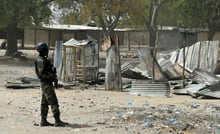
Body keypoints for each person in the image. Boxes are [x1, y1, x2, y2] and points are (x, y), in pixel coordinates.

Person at [35, 42, 68, 127]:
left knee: (44, 102)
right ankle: (57, 121)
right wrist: (52, 77)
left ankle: (43, 121)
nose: (47, 51)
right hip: (46, 83)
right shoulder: (41, 60)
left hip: (47, 83)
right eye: (46, 49)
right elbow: (42, 74)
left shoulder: (43, 59)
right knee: (53, 101)